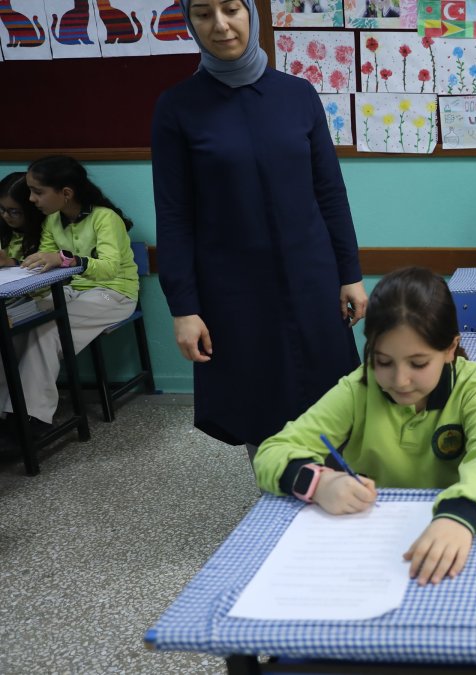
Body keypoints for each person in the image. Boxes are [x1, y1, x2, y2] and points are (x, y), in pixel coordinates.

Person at [152, 0, 368, 459]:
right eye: (203, 14)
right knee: (261, 411)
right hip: (233, 293)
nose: (220, 24)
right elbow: (173, 215)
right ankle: (279, 503)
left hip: (312, 278)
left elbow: (329, 191)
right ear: (190, 23)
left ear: (250, 13)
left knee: (337, 403)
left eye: (231, 9)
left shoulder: (298, 94)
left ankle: (347, 504)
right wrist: (183, 307)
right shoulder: (177, 108)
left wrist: (349, 272)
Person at [254, 267, 476, 586]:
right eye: (383, 361)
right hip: (368, 545)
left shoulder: (475, 389)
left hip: (451, 533)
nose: (399, 380)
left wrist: (460, 514)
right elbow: (271, 453)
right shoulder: (358, 388)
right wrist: (320, 484)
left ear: (450, 349)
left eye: (418, 364)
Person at [0, 156, 138, 430]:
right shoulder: (53, 220)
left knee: (47, 331)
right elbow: (45, 263)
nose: (31, 199)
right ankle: (5, 410)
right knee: (14, 325)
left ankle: (30, 418)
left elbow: (110, 269)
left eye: (37, 192)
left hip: (113, 293)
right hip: (71, 290)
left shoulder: (105, 218)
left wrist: (67, 260)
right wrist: (19, 268)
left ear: (65, 193)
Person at [0, 172, 45, 267]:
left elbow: (43, 266)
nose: (5, 216)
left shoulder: (46, 232)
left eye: (14, 212)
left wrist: (10, 262)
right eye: (2, 209)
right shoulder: (4, 227)